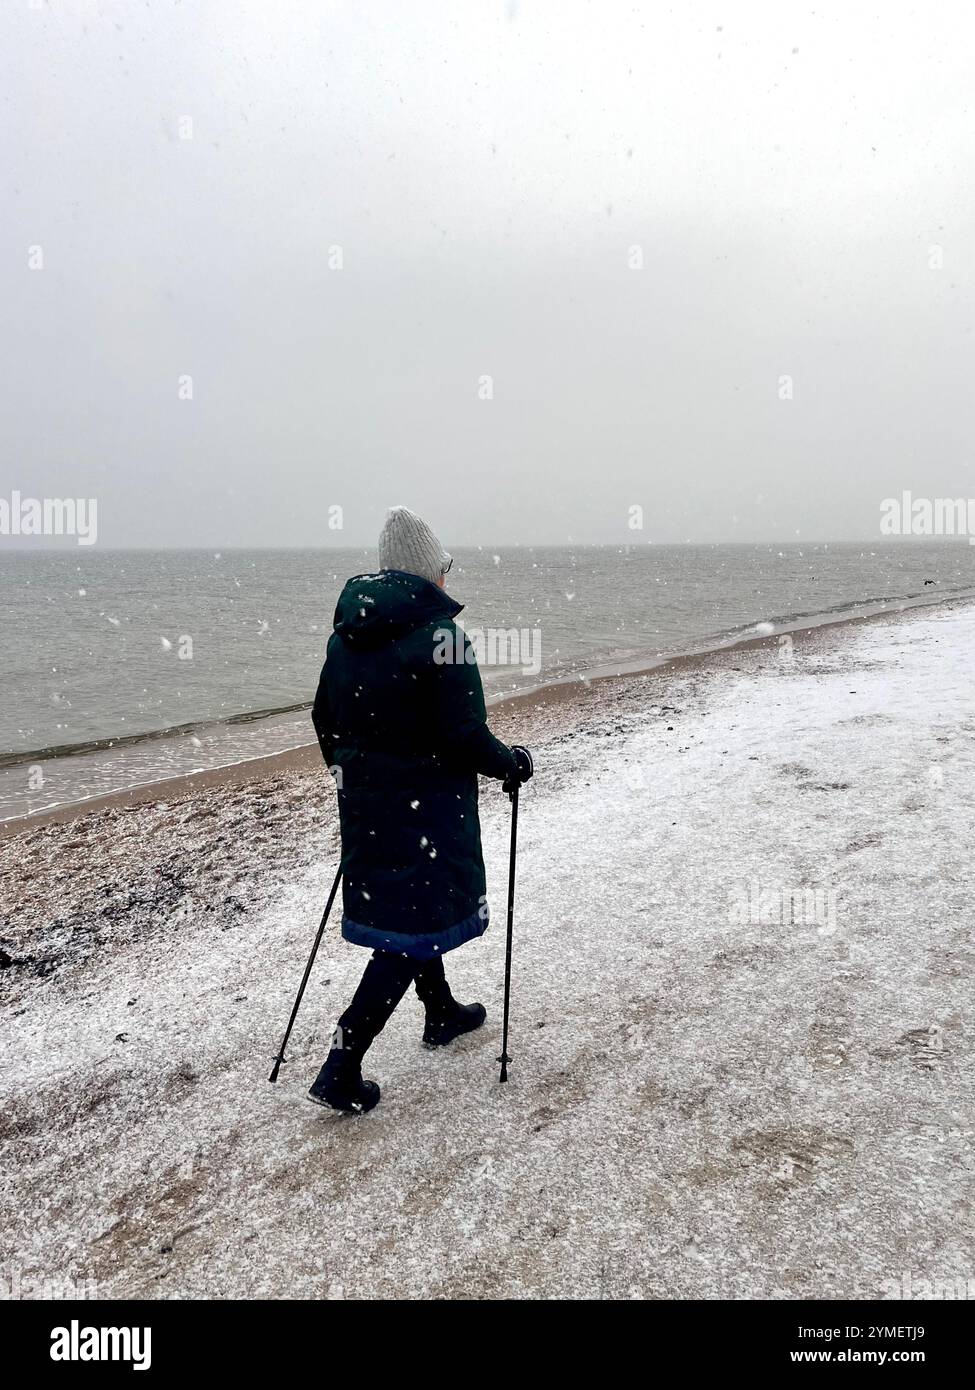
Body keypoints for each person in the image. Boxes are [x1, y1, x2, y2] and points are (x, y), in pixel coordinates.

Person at [308, 506, 533, 1112]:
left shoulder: (346, 635)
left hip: (370, 805)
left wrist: (353, 773)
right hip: (428, 807)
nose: (447, 582)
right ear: (428, 573)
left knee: (412, 914)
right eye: (444, 571)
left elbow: (325, 718)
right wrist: (512, 762)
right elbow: (464, 735)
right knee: (411, 933)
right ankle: (341, 1064)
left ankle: (439, 1013)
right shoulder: (441, 638)